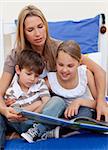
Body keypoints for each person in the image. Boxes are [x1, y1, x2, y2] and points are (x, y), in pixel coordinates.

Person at [0, 4, 107, 147]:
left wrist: (100, 101)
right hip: (24, 112)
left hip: (52, 111)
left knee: (77, 112)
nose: (38, 34)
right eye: (30, 30)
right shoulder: (15, 56)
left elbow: (99, 70)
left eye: (40, 26)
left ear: (46, 25)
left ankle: (39, 131)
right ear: (23, 32)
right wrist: (5, 110)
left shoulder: (60, 49)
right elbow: (0, 92)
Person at [0, 49, 65, 146]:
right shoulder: (11, 91)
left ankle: (37, 131)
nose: (32, 79)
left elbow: (47, 102)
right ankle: (43, 131)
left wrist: (30, 111)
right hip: (23, 123)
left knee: (58, 101)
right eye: (28, 74)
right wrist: (38, 104)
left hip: (41, 119)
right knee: (11, 114)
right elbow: (18, 113)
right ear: (18, 70)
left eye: (36, 76)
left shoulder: (40, 83)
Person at [41, 40, 97, 139]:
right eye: (60, 65)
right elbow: (33, 93)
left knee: (86, 114)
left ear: (79, 63)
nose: (64, 70)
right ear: (56, 61)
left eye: (70, 66)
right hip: (61, 116)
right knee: (55, 104)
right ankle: (63, 130)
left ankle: (61, 131)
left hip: (81, 114)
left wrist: (79, 102)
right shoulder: (50, 80)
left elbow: (99, 103)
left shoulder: (85, 74)